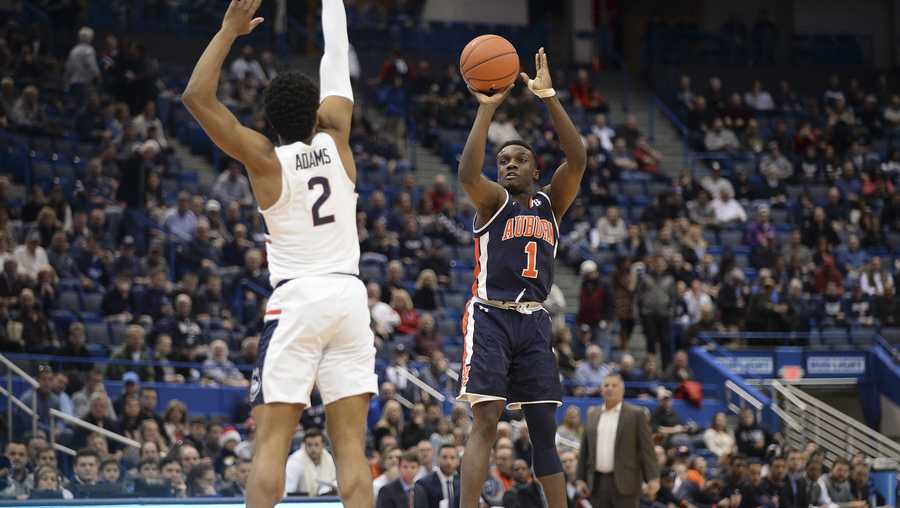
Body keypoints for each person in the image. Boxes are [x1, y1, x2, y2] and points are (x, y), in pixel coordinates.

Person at [182, 2, 375, 507]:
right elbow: (336, 50)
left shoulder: (264, 158)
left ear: (267, 120)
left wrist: (227, 32)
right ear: (316, 109)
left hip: (298, 298)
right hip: (350, 297)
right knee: (352, 450)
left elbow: (196, 97)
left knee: (271, 445)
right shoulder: (338, 135)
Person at [455, 47, 586, 508]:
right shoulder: (492, 201)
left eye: (518, 160)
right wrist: (486, 110)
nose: (508, 164)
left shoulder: (552, 202)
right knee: (486, 420)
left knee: (544, 434)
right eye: (503, 160)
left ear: (535, 169)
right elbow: (467, 172)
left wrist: (549, 97)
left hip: (533, 322)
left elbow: (579, 157)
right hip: (490, 316)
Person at [575, 374, 659, 508]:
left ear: (622, 389)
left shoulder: (636, 414)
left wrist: (653, 478)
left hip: (627, 482)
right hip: (597, 483)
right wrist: (580, 478)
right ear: (601, 389)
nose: (610, 388)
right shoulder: (593, 414)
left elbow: (647, 448)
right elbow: (584, 450)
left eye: (614, 385)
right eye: (606, 385)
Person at [283, 428, 337, 496]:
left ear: (323, 445)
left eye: (316, 445)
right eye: (309, 445)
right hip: (301, 503)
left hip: (325, 500)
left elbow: (335, 482)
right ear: (304, 445)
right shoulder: (295, 461)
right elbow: (288, 491)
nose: (313, 449)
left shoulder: (329, 459)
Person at [414, 444, 460, 508]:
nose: (448, 462)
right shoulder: (423, 484)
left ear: (458, 461)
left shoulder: (461, 484)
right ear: (437, 459)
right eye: (444, 457)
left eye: (452, 458)